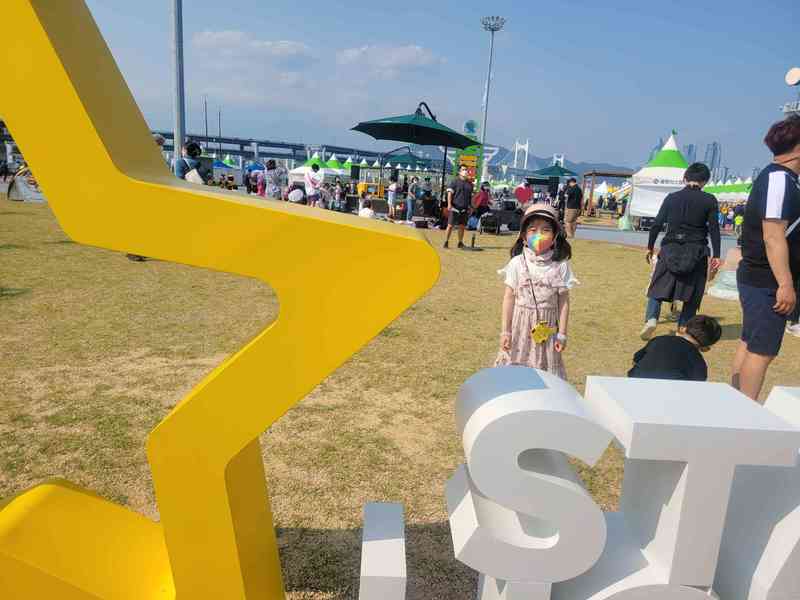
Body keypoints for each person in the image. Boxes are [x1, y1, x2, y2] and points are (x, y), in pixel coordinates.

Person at [732, 115, 800, 402]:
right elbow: (773, 236)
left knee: (750, 342)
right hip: (766, 280)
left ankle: (735, 403)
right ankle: (743, 412)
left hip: (761, 277)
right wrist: (785, 283)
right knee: (761, 351)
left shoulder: (784, 179)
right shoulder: (779, 179)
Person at [495, 204, 578, 380]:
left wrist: (562, 334)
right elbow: (508, 298)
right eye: (533, 230)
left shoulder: (560, 266)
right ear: (523, 236)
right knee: (514, 376)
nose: (539, 235)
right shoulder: (517, 263)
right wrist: (505, 332)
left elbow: (564, 302)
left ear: (555, 235)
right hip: (519, 328)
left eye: (546, 230)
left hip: (547, 331)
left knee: (544, 377)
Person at [640, 163, 722, 340]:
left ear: (685, 178)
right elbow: (714, 228)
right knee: (692, 294)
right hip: (697, 250)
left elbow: (657, 224)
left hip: (670, 247)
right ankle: (683, 329)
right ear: (705, 181)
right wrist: (716, 255)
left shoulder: (672, 198)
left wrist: (650, 246)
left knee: (658, 285)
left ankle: (651, 319)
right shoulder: (709, 200)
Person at [629, 315, 722, 381]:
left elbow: (635, 361)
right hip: (671, 396)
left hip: (635, 385)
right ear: (706, 348)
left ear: (683, 329)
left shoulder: (659, 340)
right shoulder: (699, 363)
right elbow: (697, 386)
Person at [444, 165, 473, 249]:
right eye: (463, 170)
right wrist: (449, 204)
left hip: (465, 208)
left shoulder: (470, 184)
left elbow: (470, 197)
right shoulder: (454, 181)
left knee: (462, 226)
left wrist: (470, 207)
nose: (465, 171)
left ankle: (460, 242)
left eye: (466, 170)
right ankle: (446, 241)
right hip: (455, 207)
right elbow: (449, 193)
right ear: (459, 172)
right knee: (450, 225)